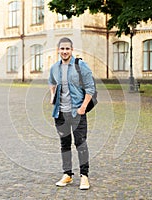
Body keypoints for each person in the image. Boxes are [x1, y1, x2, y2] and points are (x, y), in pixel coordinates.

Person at [48, 37, 95, 190]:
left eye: (67, 49)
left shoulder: (81, 66)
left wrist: (82, 108)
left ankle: (84, 176)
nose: (64, 51)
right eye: (62, 49)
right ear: (58, 50)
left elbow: (90, 89)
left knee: (81, 144)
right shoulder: (54, 67)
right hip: (60, 114)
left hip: (77, 112)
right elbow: (52, 82)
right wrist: (52, 97)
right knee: (65, 145)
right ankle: (67, 174)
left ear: (72, 50)